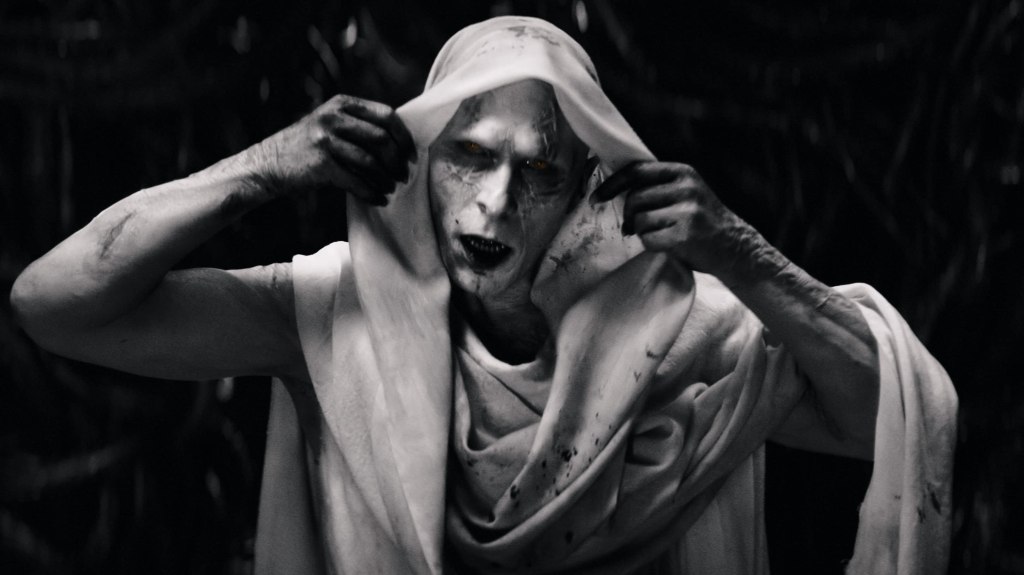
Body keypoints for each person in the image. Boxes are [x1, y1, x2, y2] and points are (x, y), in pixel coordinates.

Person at [10, 16, 956, 575]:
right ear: (424, 162)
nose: (495, 202)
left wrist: (740, 256)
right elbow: (56, 304)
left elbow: (891, 415)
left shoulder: (676, 330)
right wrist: (264, 167)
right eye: (469, 155)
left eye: (537, 170)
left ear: (586, 188)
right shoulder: (337, 310)